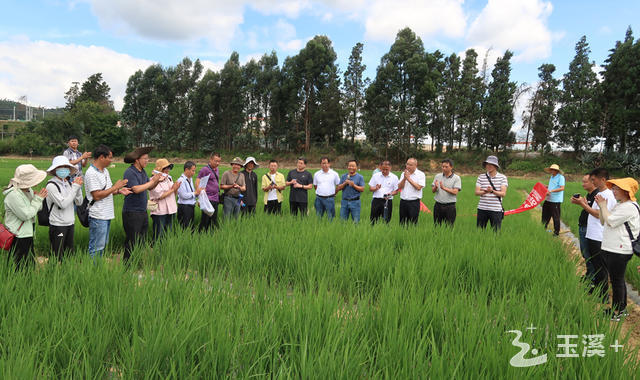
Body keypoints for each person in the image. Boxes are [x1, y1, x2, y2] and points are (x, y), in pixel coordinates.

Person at [595, 178, 640, 321]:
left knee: (617, 281)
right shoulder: (621, 205)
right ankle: (620, 309)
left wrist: (603, 206)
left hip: (619, 250)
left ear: (626, 191)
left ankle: (618, 312)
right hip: (612, 248)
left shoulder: (630, 207)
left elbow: (612, 221)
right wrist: (603, 207)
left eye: (616, 189)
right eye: (613, 188)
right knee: (616, 280)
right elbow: (603, 221)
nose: (613, 191)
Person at [575, 168, 617, 302]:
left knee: (601, 267)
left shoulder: (608, 195)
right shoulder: (601, 193)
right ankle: (598, 290)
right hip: (593, 235)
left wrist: (582, 204)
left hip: (599, 236)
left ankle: (604, 296)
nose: (592, 182)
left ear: (603, 180)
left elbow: (599, 215)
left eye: (594, 180)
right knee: (596, 265)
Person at [84, 145, 131, 258]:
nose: (111, 160)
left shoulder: (105, 171)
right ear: (101, 157)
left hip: (106, 214)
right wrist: (115, 187)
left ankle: (97, 270)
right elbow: (96, 195)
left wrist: (119, 191)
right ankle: (93, 272)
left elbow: (108, 191)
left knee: (103, 245)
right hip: (98, 215)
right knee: (96, 247)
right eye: (109, 158)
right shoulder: (91, 173)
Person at [3, 165, 47, 270]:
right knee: (20, 266)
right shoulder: (13, 195)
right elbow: (26, 215)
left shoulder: (28, 190)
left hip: (28, 232)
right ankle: (17, 285)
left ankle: (27, 283)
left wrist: (38, 199)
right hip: (18, 236)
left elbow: (37, 209)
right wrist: (38, 199)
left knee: (29, 264)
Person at [122, 147, 162, 262]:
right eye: (145, 159)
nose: (147, 161)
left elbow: (148, 187)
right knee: (132, 240)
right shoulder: (130, 172)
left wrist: (156, 181)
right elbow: (136, 189)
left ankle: (137, 263)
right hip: (132, 212)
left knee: (141, 240)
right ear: (137, 160)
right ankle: (127, 266)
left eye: (147, 159)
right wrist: (152, 182)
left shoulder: (143, 172)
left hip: (142, 211)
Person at [45, 156, 83, 261]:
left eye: (66, 167)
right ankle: (52, 274)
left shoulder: (69, 183)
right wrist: (75, 188)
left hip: (70, 223)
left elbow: (79, 202)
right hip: (58, 224)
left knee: (69, 254)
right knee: (56, 255)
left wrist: (78, 188)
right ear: (55, 170)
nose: (64, 169)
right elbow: (63, 204)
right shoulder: (51, 185)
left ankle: (65, 275)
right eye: (60, 167)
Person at [570, 174, 599, 282]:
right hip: (584, 227)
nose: (583, 184)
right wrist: (581, 202)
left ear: (593, 182)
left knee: (589, 254)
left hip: (589, 229)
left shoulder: (597, 195)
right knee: (585, 253)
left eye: (585, 182)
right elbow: (587, 208)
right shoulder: (590, 194)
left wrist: (582, 203)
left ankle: (593, 279)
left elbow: (596, 213)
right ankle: (589, 274)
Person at [149, 159, 181, 241]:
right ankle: (156, 251)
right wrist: (172, 189)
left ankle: (166, 251)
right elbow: (159, 195)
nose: (168, 170)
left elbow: (174, 194)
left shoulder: (169, 179)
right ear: (160, 169)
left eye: (169, 168)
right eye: (166, 168)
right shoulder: (153, 180)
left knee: (168, 233)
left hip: (171, 209)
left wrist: (176, 188)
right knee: (159, 234)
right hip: (160, 211)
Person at [475, 155, 508, 231]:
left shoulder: (502, 177)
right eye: (487, 164)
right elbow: (476, 192)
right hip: (482, 208)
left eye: (491, 164)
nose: (488, 166)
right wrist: (485, 191)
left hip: (496, 209)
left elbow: (503, 193)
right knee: (479, 232)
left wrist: (492, 191)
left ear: (495, 166)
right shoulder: (481, 177)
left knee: (496, 233)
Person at [431, 158, 462, 226]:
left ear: (451, 167)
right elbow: (433, 191)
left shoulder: (456, 178)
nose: (444, 168)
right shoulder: (437, 176)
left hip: (450, 207)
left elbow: (455, 192)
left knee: (449, 227)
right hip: (438, 205)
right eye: (443, 166)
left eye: (446, 167)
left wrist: (444, 188)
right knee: (436, 226)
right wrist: (436, 187)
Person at [369, 160, 399, 224]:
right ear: (380, 168)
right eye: (383, 169)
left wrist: (390, 194)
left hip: (387, 201)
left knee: (386, 221)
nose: (385, 171)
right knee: (373, 220)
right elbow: (370, 188)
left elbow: (396, 191)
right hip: (376, 201)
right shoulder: (375, 176)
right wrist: (376, 188)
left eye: (386, 169)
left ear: (390, 168)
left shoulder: (394, 177)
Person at [197, 153, 222, 232]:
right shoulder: (205, 169)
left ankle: (211, 236)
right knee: (205, 220)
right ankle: (200, 235)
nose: (217, 163)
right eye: (215, 161)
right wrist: (200, 198)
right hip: (207, 199)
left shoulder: (217, 170)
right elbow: (197, 181)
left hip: (215, 198)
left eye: (219, 161)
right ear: (210, 160)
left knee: (213, 220)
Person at [397, 158, 426, 225]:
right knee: (402, 223)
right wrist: (404, 178)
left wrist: (408, 179)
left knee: (413, 223)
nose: (408, 166)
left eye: (410, 165)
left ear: (415, 165)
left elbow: (418, 187)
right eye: (407, 164)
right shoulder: (403, 174)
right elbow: (399, 187)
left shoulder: (421, 174)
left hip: (414, 203)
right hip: (403, 202)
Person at [177, 161, 203, 229]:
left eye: (194, 171)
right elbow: (183, 195)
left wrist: (198, 193)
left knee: (190, 227)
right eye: (192, 171)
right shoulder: (181, 180)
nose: (194, 173)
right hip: (184, 207)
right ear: (186, 170)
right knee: (185, 227)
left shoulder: (190, 179)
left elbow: (192, 192)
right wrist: (195, 193)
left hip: (191, 207)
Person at [541, 164, 566, 236]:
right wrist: (547, 187)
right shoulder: (552, 177)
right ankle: (543, 228)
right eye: (551, 169)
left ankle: (556, 232)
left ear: (557, 171)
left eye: (553, 170)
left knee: (555, 216)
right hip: (548, 199)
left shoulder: (561, 177)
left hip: (555, 200)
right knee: (545, 214)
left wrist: (551, 191)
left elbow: (562, 188)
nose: (552, 171)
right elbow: (553, 186)